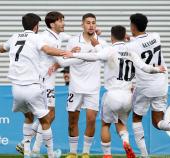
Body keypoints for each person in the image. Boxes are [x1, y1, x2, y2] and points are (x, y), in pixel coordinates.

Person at [63, 25, 166, 158]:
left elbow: (94, 56)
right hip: (128, 96)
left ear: (112, 37)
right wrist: (157, 69)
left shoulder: (110, 50)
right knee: (121, 122)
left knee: (105, 124)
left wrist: (73, 54)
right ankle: (125, 141)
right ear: (125, 36)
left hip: (112, 95)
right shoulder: (131, 51)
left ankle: (107, 155)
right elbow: (144, 67)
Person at [0, 13, 69, 158]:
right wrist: (66, 53)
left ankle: (27, 152)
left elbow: (1, 49)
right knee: (46, 118)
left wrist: (5, 50)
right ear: (36, 26)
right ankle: (49, 154)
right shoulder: (37, 38)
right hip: (34, 84)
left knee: (29, 117)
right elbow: (48, 50)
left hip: (16, 87)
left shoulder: (14, 37)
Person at [126, 13, 170, 157]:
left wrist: (128, 39)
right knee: (158, 122)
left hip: (145, 87)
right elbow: (142, 42)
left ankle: (144, 155)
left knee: (137, 119)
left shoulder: (131, 46)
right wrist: (130, 37)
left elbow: (140, 61)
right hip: (161, 85)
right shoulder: (156, 36)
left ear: (133, 26)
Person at [65, 13, 107, 158]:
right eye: (88, 22)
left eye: (93, 23)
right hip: (75, 87)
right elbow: (64, 58)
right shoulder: (72, 41)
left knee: (90, 119)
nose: (91, 25)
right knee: (72, 121)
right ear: (82, 24)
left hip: (93, 88)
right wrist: (71, 52)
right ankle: (72, 152)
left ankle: (86, 153)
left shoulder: (101, 42)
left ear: (96, 25)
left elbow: (106, 58)